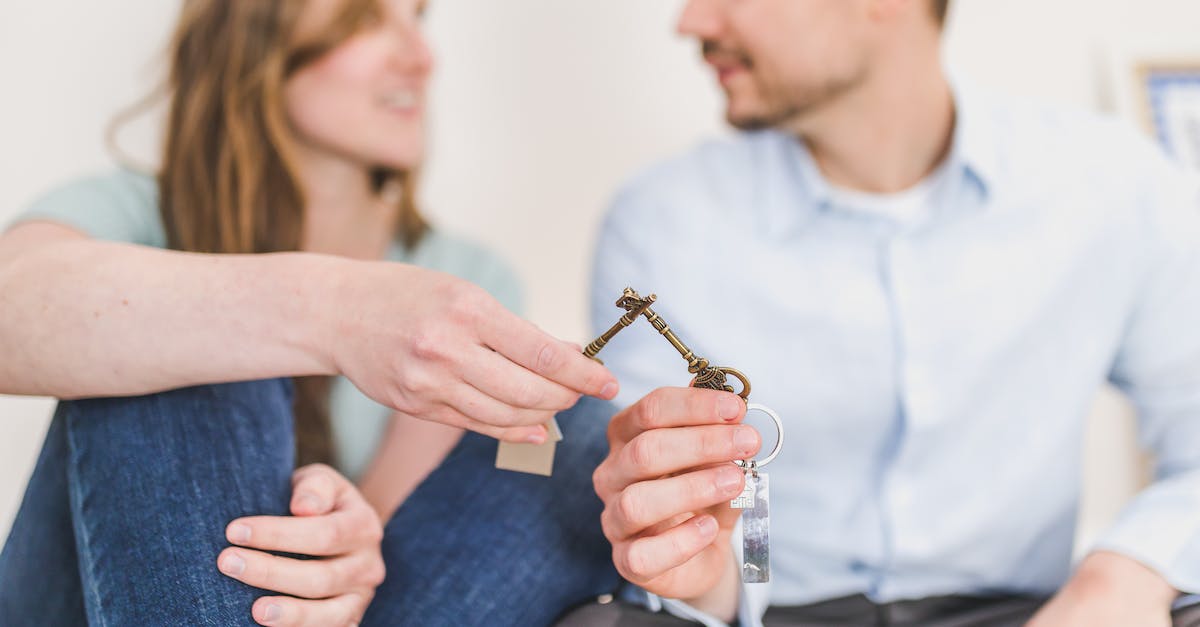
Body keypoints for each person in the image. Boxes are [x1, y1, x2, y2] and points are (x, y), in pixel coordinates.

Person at [582, 0, 1200, 625]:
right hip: (767, 609)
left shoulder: (1114, 188)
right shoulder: (662, 222)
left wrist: (1126, 572)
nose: (692, 22)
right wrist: (707, 579)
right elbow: (718, 548)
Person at [0, 0, 617, 624]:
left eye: (418, 18)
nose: (421, 57)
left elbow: (405, 549)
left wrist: (343, 551)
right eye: (364, 19)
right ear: (253, 43)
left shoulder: (463, 278)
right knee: (178, 341)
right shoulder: (125, 214)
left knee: (579, 431)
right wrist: (331, 310)